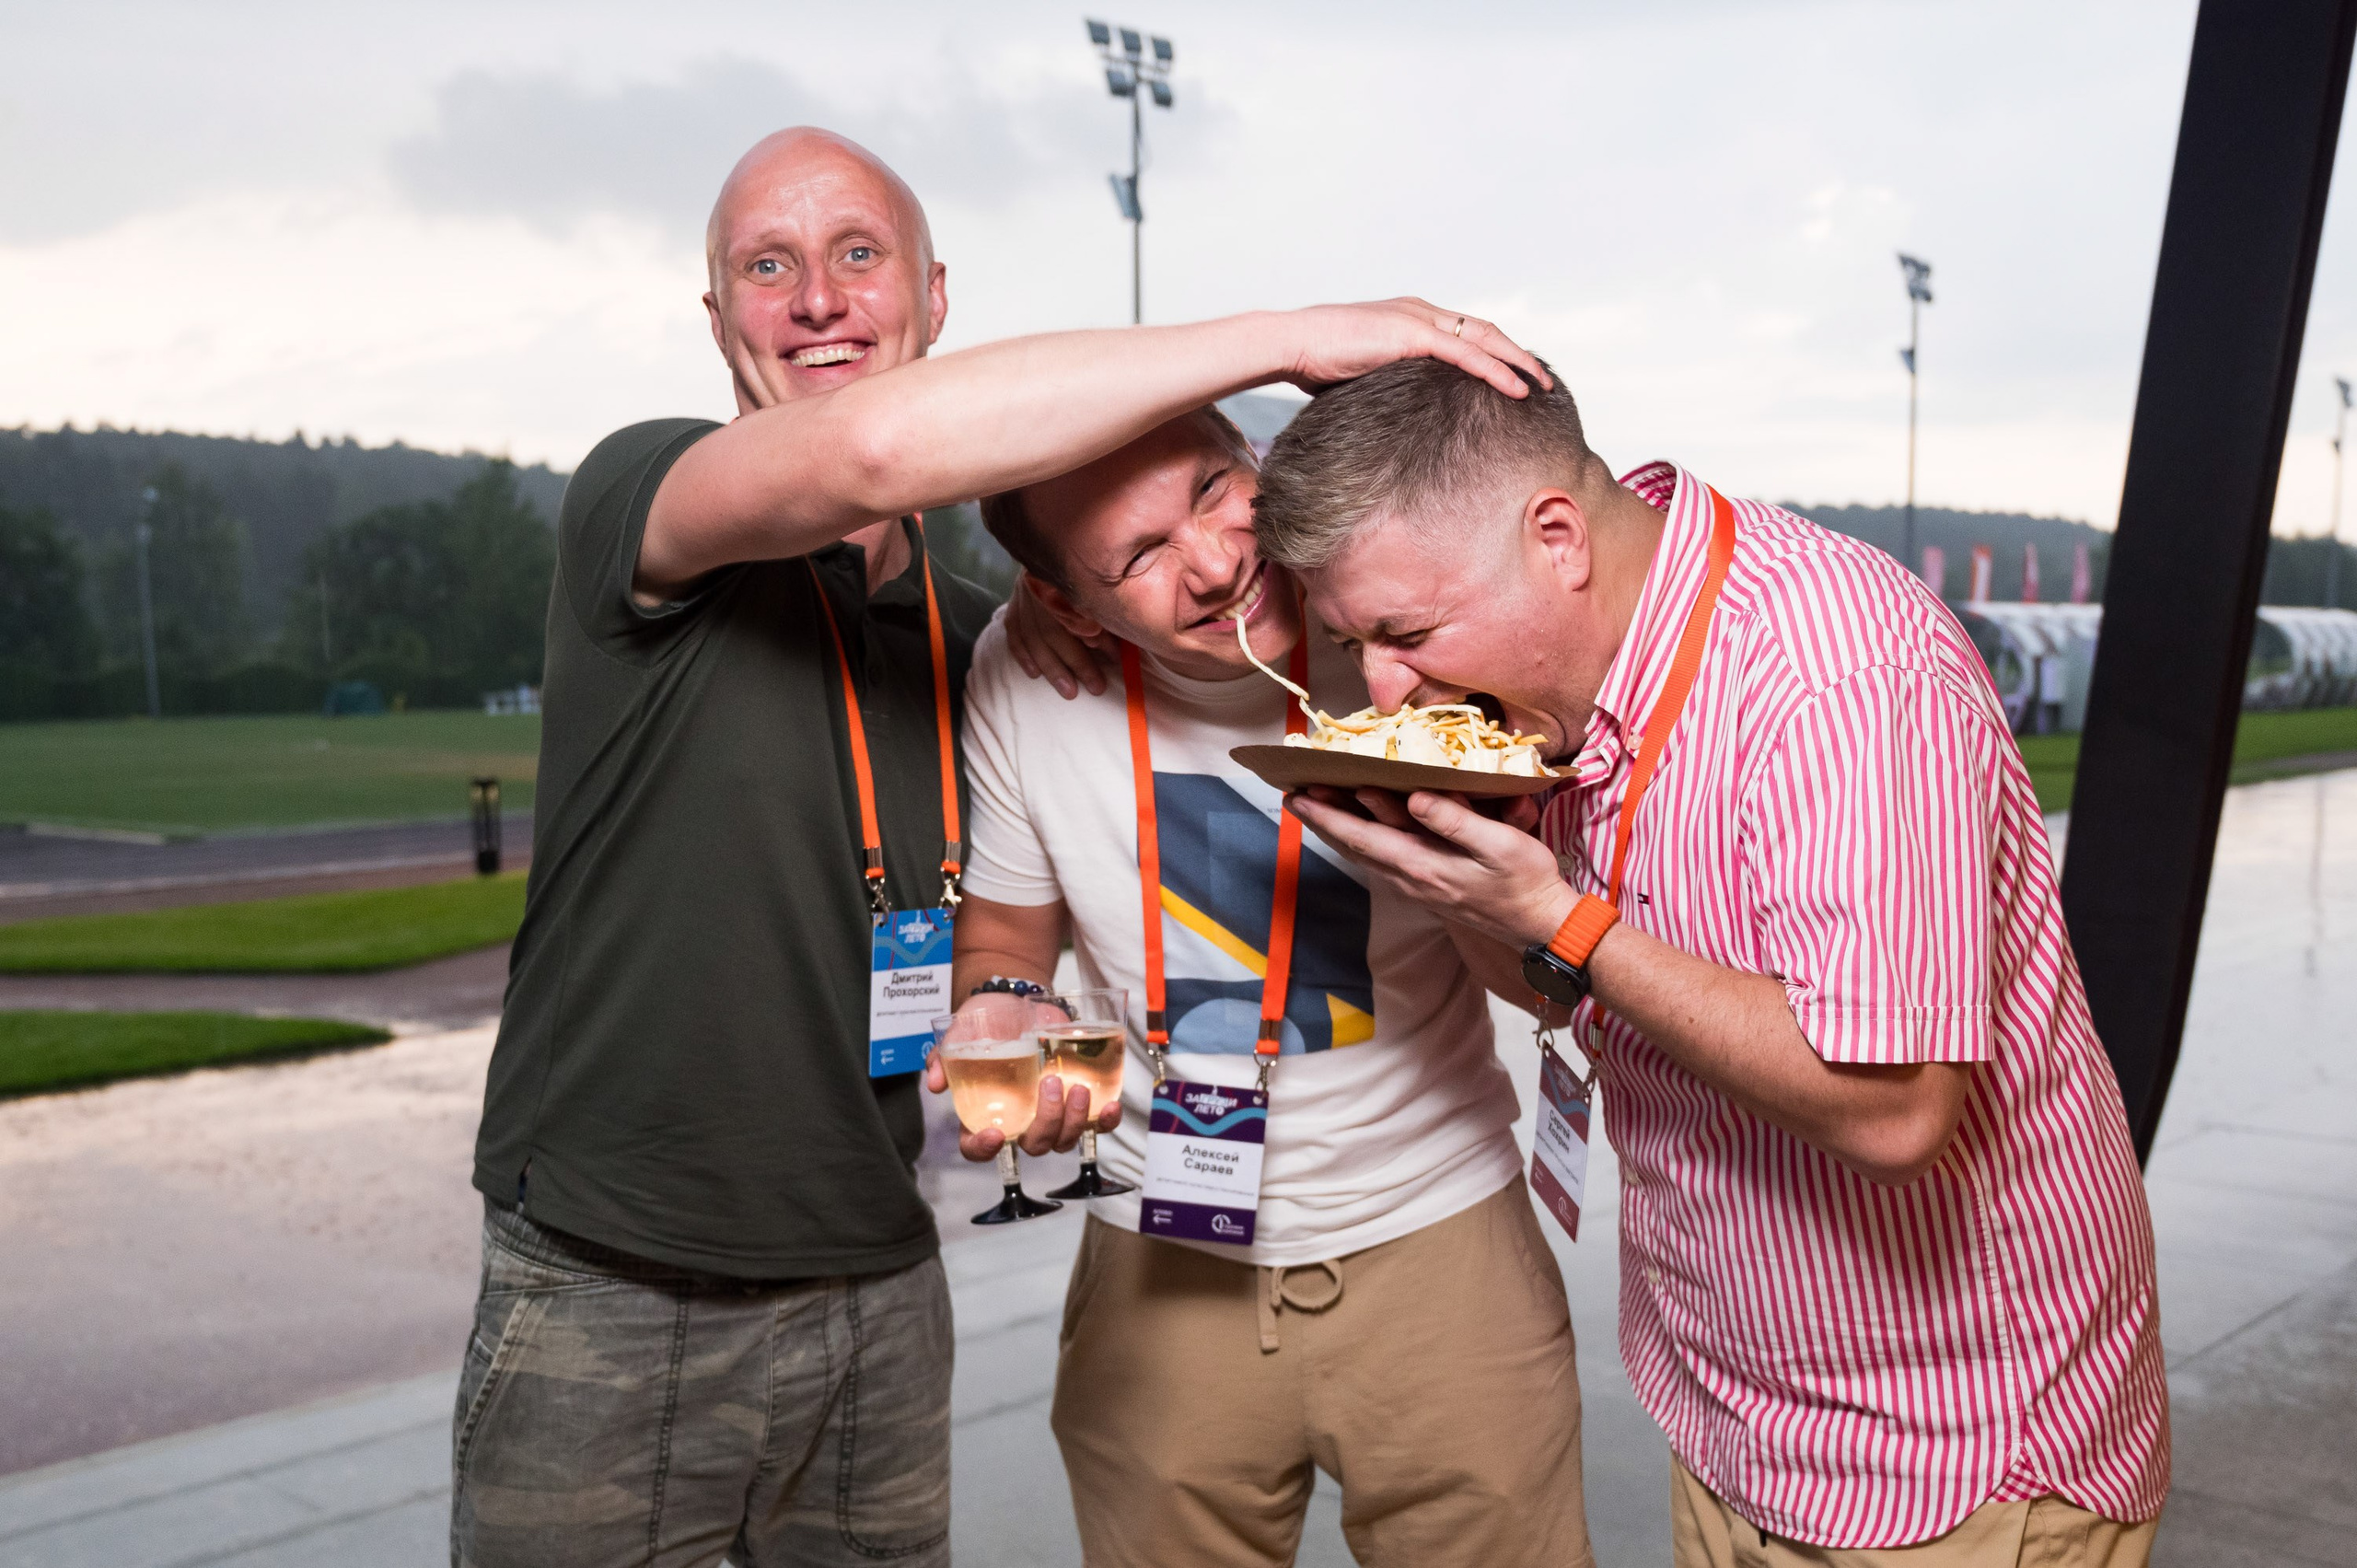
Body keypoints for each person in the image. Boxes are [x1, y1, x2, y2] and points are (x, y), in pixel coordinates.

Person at [449, 120, 1547, 1566]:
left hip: (876, 1262)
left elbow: (1003, 914)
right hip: (616, 1263)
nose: (819, 298)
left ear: (934, 294)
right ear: (716, 317)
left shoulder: (993, 645)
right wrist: (1300, 333)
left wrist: (1006, 1006)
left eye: (858, 254)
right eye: (766, 267)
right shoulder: (641, 492)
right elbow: (873, 450)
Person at [1252, 358, 2169, 1566]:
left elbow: (1896, 1110)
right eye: (1357, 638)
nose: (1384, 681)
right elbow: (1559, 983)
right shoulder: (1560, 686)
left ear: (1559, 535)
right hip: (1736, 1413)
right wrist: (1445, 870)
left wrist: (1560, 913)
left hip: (1954, 1453)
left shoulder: (1834, 678)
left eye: (1407, 631)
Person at [923, 405, 1594, 1568]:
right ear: (1070, 607)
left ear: (1259, 459)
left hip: (1438, 1236)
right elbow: (1002, 940)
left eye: (1212, 487)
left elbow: (1539, 980)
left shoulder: (1400, 627)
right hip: (1159, 1250)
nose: (1218, 558)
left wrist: (1464, 848)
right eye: (1136, 556)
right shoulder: (1027, 677)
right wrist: (1006, 1000)